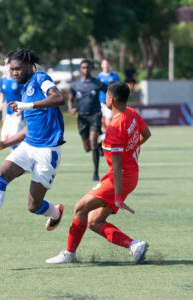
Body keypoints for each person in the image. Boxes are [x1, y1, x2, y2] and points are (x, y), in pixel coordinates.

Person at [45, 81, 151, 264]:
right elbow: (146, 134)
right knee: (94, 221)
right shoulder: (132, 113)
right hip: (131, 175)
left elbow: (117, 166)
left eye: (106, 97)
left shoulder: (114, 128)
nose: (104, 99)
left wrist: (117, 196)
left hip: (120, 177)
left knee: (80, 207)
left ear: (111, 99)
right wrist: (131, 148)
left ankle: (70, 253)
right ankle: (134, 245)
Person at [0, 48, 65, 247]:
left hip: (47, 152)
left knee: (33, 206)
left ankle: (55, 211)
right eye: (12, 69)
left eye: (18, 69)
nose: (14, 73)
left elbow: (58, 98)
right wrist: (5, 143)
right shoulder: (25, 87)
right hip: (28, 147)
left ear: (29, 66)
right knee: (0, 175)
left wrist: (26, 106)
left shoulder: (40, 78)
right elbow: (30, 128)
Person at [68, 59, 107, 181]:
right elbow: (70, 99)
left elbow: (109, 92)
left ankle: (95, 173)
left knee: (93, 142)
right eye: (83, 67)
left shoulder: (97, 83)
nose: (86, 69)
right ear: (80, 69)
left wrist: (109, 102)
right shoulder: (75, 85)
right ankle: (102, 146)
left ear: (91, 69)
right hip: (82, 118)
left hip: (95, 115)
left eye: (88, 67)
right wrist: (71, 108)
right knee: (87, 148)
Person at [0, 59, 24, 150]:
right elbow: (2, 94)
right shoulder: (3, 80)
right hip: (9, 114)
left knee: (13, 139)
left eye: (8, 63)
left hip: (18, 113)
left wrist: (20, 108)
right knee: (4, 138)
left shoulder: (18, 80)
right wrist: (0, 103)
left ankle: (19, 159)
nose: (6, 65)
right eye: (5, 63)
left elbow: (25, 96)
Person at [97, 59, 120, 133]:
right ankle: (104, 138)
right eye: (104, 63)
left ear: (109, 65)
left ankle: (110, 137)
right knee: (102, 122)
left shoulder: (114, 75)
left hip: (110, 102)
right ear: (101, 65)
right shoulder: (99, 76)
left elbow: (118, 87)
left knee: (108, 121)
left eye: (107, 63)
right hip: (101, 102)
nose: (106, 65)